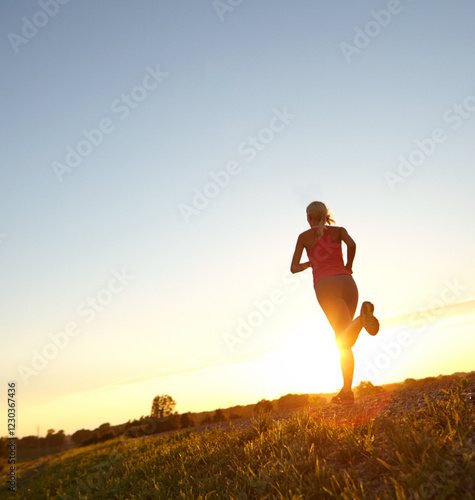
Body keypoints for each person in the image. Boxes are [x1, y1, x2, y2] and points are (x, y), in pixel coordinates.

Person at [290, 201, 379, 404]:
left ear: (308, 218)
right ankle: (347, 392)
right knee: (346, 341)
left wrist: (309, 263)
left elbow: (294, 267)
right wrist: (348, 265)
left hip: (326, 285)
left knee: (343, 340)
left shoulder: (304, 237)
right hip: (348, 282)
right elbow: (353, 245)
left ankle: (359, 321)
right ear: (325, 214)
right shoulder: (339, 230)